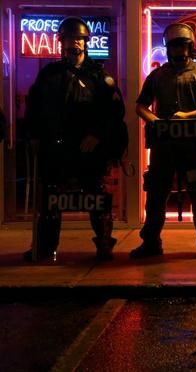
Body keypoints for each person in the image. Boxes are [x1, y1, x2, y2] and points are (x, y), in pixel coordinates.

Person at [23, 17, 126, 261]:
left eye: (79, 39)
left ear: (86, 43)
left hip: (89, 149)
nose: (75, 44)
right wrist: (34, 137)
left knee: (97, 198)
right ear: (61, 42)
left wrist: (97, 135)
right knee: (50, 200)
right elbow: (34, 109)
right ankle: (45, 249)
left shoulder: (99, 76)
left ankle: (103, 244)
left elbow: (115, 113)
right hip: (55, 148)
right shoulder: (49, 74)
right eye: (70, 39)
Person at [131, 23, 196, 259]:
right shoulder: (158, 75)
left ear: (190, 46)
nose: (178, 50)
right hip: (164, 146)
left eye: (182, 45)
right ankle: (151, 241)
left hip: (193, 145)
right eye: (174, 45)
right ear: (168, 48)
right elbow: (140, 106)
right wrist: (154, 121)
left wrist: (190, 114)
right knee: (156, 194)